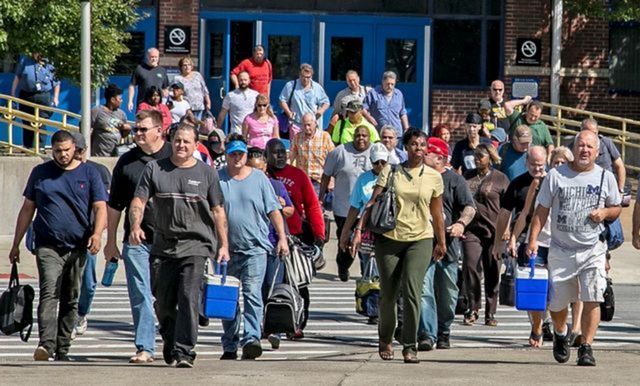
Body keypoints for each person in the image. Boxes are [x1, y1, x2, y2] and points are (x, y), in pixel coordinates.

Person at [129, 123, 229, 368]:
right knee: (162, 301)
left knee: (188, 296)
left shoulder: (207, 173)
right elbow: (139, 201)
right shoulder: (155, 169)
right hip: (163, 246)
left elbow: (218, 211)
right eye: (177, 141)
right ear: (170, 142)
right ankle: (170, 338)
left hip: (196, 245)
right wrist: (135, 226)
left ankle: (185, 352)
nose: (181, 145)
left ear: (196, 145)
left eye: (186, 141)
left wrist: (223, 245)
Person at [8, 130, 107, 361]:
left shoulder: (90, 173)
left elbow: (100, 206)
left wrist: (97, 234)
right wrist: (16, 244)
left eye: (66, 150)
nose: (62, 155)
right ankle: (46, 345)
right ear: (51, 150)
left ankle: (63, 348)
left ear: (75, 149)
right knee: (49, 292)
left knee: (71, 297)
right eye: (58, 151)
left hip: (78, 245)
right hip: (47, 245)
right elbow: (27, 209)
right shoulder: (40, 173)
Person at [527, 130, 621, 367]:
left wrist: (605, 213)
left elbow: (616, 207)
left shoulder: (605, 177)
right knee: (558, 303)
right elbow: (542, 210)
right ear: (574, 147)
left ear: (597, 152)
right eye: (581, 145)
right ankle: (560, 332)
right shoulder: (556, 176)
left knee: (593, 296)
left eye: (590, 147)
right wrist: (532, 240)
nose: (584, 150)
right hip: (561, 248)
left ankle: (586, 347)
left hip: (592, 248)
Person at [352, 128, 445, 364]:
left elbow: (437, 212)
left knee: (413, 291)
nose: (419, 149)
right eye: (414, 144)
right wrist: (358, 231)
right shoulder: (391, 172)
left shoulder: (434, 176)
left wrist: (441, 241)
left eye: (422, 145)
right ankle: (385, 339)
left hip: (421, 239)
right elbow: (372, 203)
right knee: (389, 294)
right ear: (405, 147)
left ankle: (409, 345)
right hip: (390, 239)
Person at [104, 110, 172, 364]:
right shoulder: (127, 162)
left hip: (171, 240)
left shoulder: (174, 157)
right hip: (136, 241)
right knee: (140, 293)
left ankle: (169, 332)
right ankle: (145, 347)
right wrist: (110, 242)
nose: (138, 134)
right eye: (136, 130)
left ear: (159, 130)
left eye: (143, 129)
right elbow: (114, 207)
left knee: (166, 295)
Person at [218, 135, 289, 360]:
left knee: (252, 294)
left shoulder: (259, 178)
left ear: (246, 155)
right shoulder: (217, 179)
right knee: (227, 299)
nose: (237, 158)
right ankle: (229, 344)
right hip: (226, 250)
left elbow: (273, 210)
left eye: (241, 153)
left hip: (255, 248)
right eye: (233, 154)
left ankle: (251, 339)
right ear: (226, 155)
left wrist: (282, 238)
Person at [418, 137, 476, 351]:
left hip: (448, 247)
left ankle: (444, 330)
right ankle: (426, 334)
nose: (422, 155)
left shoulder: (454, 180)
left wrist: (461, 223)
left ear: (440, 158)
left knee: (448, 294)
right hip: (423, 243)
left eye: (427, 152)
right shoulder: (419, 176)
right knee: (424, 290)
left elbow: (470, 207)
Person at [265, 138, 325, 339]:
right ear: (266, 156)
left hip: (295, 238)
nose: (280, 155)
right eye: (275, 152)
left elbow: (312, 206)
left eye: (283, 152)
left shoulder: (298, 175)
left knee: (299, 283)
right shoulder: (260, 176)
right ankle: (269, 324)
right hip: (269, 238)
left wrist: (319, 236)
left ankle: (298, 324)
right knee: (270, 284)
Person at [492, 146, 549, 347]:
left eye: (541, 165)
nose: (537, 168)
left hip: (555, 241)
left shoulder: (554, 181)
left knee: (553, 288)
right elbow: (508, 214)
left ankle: (545, 319)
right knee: (533, 287)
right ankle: (537, 326)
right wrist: (504, 241)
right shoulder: (518, 184)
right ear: (526, 163)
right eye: (533, 164)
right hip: (528, 240)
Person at [68, 132, 112, 340]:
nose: (72, 155)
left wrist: (100, 232)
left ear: (84, 150)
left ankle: (81, 313)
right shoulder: (58, 172)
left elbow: (107, 206)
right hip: (65, 236)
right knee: (62, 280)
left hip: (89, 235)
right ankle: (66, 318)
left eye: (76, 150)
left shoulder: (98, 172)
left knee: (88, 281)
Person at [461, 144, 509, 327]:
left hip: (494, 231)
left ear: (490, 157)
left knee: (493, 271)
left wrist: (507, 229)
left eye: (481, 156)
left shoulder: (500, 178)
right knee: (471, 266)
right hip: (472, 229)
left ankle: (491, 311)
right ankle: (473, 308)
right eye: (475, 156)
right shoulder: (467, 176)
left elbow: (508, 206)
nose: (477, 159)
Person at [320, 126, 373, 282]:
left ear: (369, 137)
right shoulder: (340, 152)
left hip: (367, 208)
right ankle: (343, 265)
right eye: (358, 135)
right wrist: (321, 197)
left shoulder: (376, 153)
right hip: (344, 207)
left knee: (365, 242)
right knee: (347, 241)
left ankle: (367, 275)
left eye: (364, 135)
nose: (361, 138)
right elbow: (326, 176)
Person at [11, 52, 61, 150]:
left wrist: (55, 98)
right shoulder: (25, 60)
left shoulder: (49, 63)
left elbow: (56, 82)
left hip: (43, 95)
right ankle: (28, 146)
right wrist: (12, 93)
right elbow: (17, 76)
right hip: (26, 94)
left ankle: (41, 147)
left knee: (41, 121)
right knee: (27, 121)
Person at [568, 118, 626, 193]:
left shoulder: (606, 143)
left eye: (594, 133)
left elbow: (620, 166)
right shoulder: (573, 146)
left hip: (606, 188)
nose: (592, 136)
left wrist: (620, 190)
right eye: (588, 132)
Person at [279, 63, 330, 138]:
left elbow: (326, 102)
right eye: (303, 77)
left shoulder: (317, 87)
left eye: (308, 77)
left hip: (311, 125)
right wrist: (288, 112)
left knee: (312, 147)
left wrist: (321, 111)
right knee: (296, 148)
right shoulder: (290, 85)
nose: (305, 79)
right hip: (296, 123)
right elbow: (282, 100)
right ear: (299, 75)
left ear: (311, 76)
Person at [290, 113, 335, 192]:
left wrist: (331, 179)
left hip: (319, 181)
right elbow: (291, 157)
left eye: (309, 125)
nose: (307, 128)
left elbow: (333, 159)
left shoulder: (325, 136)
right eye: (304, 125)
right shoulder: (297, 137)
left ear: (315, 123)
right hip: (303, 180)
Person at [362, 71, 410, 139]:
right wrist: (369, 117)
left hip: (396, 135)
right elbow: (363, 108)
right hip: (379, 135)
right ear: (382, 82)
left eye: (392, 84)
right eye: (387, 84)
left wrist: (406, 128)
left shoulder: (399, 94)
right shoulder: (373, 93)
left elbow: (402, 113)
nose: (390, 86)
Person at [90, 83, 131, 156]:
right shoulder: (97, 111)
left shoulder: (121, 114)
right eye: (120, 99)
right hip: (99, 155)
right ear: (112, 99)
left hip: (115, 154)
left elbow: (123, 135)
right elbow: (85, 127)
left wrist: (127, 129)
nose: (121, 101)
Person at [128, 48, 169, 112]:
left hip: (158, 106)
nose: (154, 59)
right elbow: (132, 86)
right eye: (152, 57)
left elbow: (165, 88)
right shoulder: (140, 69)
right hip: (143, 104)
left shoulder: (162, 71)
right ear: (147, 56)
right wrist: (130, 101)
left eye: (156, 57)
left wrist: (165, 98)